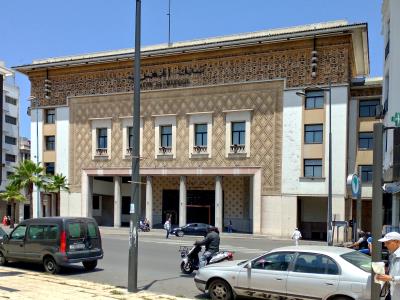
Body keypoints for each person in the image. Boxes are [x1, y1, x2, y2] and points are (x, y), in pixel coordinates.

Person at [376, 231, 400, 300]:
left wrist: (391, 278)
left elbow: (392, 277)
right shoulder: (392, 255)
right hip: (391, 292)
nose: (385, 245)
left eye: (388, 242)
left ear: (397, 242)